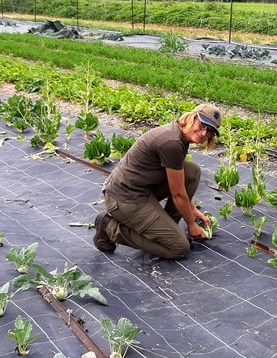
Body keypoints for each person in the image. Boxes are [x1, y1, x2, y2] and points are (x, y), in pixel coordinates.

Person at [93, 103, 221, 259]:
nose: (203, 133)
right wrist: (192, 224)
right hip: (124, 199)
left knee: (192, 171)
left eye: (209, 132)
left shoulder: (180, 134)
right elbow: (178, 194)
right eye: (202, 125)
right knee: (179, 248)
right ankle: (109, 227)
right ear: (192, 117)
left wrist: (192, 211)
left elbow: (179, 184)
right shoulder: (172, 142)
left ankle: (166, 230)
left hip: (142, 190)